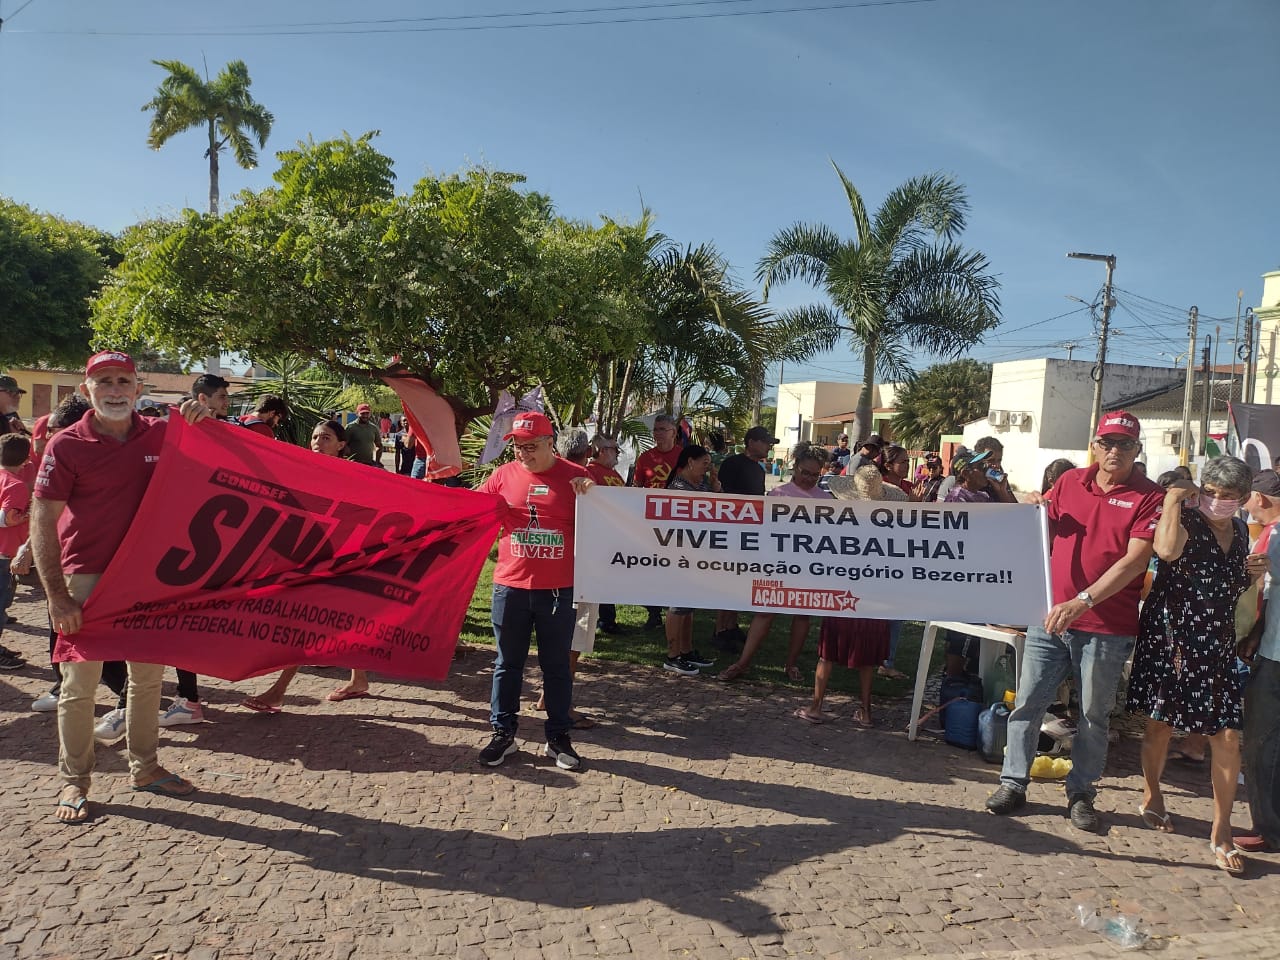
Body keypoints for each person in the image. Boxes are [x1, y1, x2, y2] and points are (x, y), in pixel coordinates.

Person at [32, 351, 214, 822]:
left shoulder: (164, 432)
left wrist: (202, 418)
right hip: (87, 576)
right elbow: (42, 518)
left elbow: (218, 459)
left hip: (149, 577)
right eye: (104, 381)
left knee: (148, 679)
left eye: (123, 381)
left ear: (137, 388)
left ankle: (146, 767)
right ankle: (74, 781)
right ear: (86, 390)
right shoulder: (66, 445)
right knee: (79, 687)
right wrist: (56, 594)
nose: (114, 389)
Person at [985, 411, 1164, 832]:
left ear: (1137, 450)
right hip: (1052, 618)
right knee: (1027, 704)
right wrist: (1028, 507)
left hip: (1106, 626)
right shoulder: (1069, 482)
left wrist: (1082, 602)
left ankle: (1081, 793)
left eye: (1124, 444)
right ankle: (1013, 782)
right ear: (1095, 446)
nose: (1114, 451)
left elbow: (1135, 560)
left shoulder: (1148, 496)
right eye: (1107, 442)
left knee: (1092, 717)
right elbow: (1041, 528)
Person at [1125, 456, 1264, 874]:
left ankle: (1221, 831)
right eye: (1212, 493)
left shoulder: (1241, 530)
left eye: (1229, 496)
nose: (1218, 501)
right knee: (1160, 724)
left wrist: (1254, 572)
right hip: (1171, 637)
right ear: (1200, 490)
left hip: (1217, 640)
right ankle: (1152, 793)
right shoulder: (1184, 519)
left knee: (1226, 735)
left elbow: (1231, 584)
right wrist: (1171, 501)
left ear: (1243, 499)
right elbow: (1165, 551)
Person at [477, 412, 593, 771]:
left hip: (558, 589)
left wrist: (593, 495)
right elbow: (471, 509)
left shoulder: (577, 477)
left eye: (530, 446)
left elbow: (612, 518)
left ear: (549, 443)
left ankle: (558, 739)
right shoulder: (503, 476)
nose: (523, 453)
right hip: (510, 587)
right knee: (506, 665)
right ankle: (503, 734)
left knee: (556, 667)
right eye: (517, 446)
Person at [241, 421, 373, 711]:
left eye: (325, 438)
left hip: (336, 563)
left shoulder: (352, 476)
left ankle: (278, 691)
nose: (317, 441)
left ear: (341, 445)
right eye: (314, 436)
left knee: (306, 625)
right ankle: (359, 680)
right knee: (340, 622)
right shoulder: (303, 471)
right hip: (309, 560)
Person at [794, 465, 899, 727]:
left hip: (845, 594)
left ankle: (817, 707)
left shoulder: (839, 525)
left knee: (827, 654)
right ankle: (865, 711)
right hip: (874, 597)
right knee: (868, 660)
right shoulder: (891, 528)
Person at [718, 442, 829, 683]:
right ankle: (742, 662)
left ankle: (791, 664)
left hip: (808, 567)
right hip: (777, 565)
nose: (809, 478)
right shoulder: (778, 494)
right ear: (795, 467)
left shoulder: (825, 498)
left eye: (815, 474)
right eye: (805, 472)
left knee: (801, 616)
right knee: (765, 613)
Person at [1237, 469, 1280, 854]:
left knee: (1262, 744)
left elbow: (1260, 592)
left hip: (1275, 655)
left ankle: (1269, 828)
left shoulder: (1275, 537)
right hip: (1271, 648)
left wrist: (1250, 636)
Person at [712, 426, 775, 649]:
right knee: (728, 580)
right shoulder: (732, 464)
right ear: (751, 442)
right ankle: (720, 629)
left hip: (750, 531)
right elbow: (723, 496)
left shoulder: (758, 469)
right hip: (730, 530)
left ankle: (731, 624)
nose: (769, 446)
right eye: (766, 442)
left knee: (739, 580)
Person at [660, 445, 719, 676]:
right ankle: (672, 655)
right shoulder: (678, 487)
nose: (708, 467)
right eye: (705, 462)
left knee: (688, 604)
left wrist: (715, 487)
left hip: (698, 551)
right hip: (680, 552)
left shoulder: (701, 484)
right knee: (677, 604)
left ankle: (686, 650)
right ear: (690, 462)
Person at [631, 414, 681, 628]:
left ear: (674, 433)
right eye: (656, 430)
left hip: (678, 521)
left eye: (663, 429)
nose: (658, 434)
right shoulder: (645, 458)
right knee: (650, 566)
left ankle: (675, 609)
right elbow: (636, 488)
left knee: (674, 567)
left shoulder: (684, 455)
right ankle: (653, 614)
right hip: (651, 522)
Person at [584, 434, 625, 634]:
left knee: (610, 578)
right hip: (599, 536)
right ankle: (604, 620)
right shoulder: (590, 471)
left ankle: (608, 619)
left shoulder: (613, 473)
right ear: (602, 451)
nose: (618, 454)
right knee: (600, 578)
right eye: (615, 449)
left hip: (615, 535)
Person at [0, 434, 32, 671]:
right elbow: (8, 518)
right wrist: (32, 514)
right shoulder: (16, 485)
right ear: (25, 459)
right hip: (4, 554)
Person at [345, 403, 383, 467]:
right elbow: (343, 444)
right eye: (362, 413)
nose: (365, 415)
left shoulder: (374, 428)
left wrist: (377, 461)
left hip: (368, 464)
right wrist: (347, 458)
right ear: (357, 413)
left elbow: (379, 445)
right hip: (353, 464)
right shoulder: (350, 427)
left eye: (367, 413)